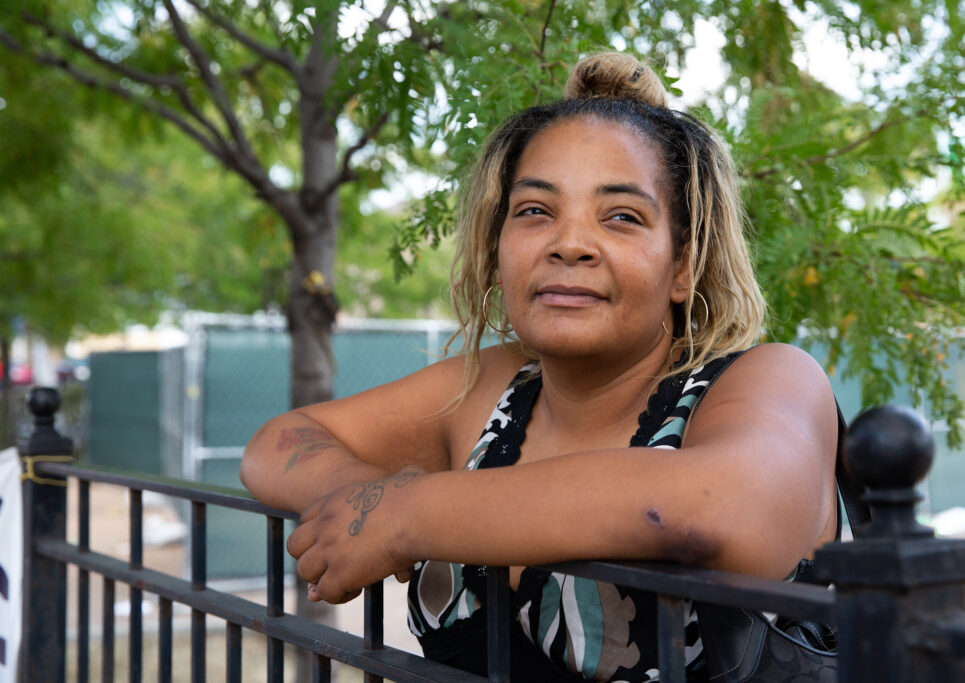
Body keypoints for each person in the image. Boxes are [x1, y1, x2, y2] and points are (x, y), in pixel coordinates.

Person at [241, 52, 839, 682]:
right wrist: (369, 500)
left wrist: (408, 514)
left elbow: (728, 512)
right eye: (535, 211)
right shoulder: (487, 389)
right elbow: (276, 445)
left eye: (622, 217)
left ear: (683, 266)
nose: (569, 242)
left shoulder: (768, 378)